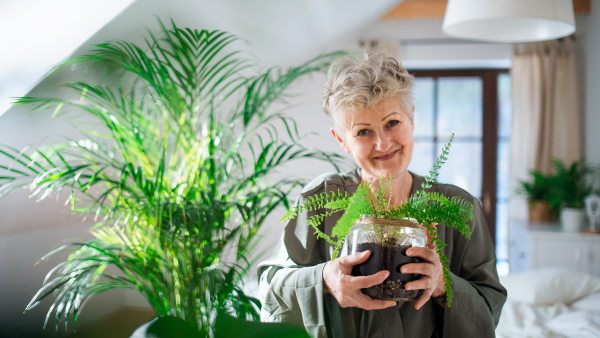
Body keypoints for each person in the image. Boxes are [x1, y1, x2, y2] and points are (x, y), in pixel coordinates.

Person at [257, 51, 506, 338]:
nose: (383, 143)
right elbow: (270, 289)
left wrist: (441, 284)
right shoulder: (320, 201)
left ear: (411, 118)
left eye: (392, 123)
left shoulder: (458, 208)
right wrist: (325, 278)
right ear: (342, 140)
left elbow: (489, 311)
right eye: (363, 132)